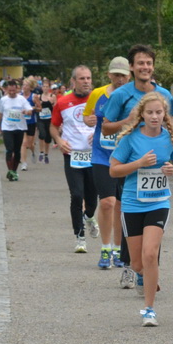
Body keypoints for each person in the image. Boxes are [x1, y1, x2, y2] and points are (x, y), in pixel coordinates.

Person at [94, 46, 173, 284]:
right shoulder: (121, 94)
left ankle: (147, 273)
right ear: (132, 67)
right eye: (140, 63)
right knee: (128, 214)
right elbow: (105, 127)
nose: (145, 67)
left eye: (149, 63)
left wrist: (172, 146)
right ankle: (131, 264)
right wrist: (127, 121)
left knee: (154, 220)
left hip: (155, 166)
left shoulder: (164, 95)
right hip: (128, 161)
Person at [108, 92, 173, 325]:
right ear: (142, 114)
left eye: (159, 112)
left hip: (159, 202)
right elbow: (114, 170)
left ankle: (149, 309)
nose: (155, 116)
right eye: (150, 112)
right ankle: (145, 276)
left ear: (165, 115)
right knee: (137, 263)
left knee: (151, 253)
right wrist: (139, 164)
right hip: (132, 204)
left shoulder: (169, 139)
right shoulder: (131, 139)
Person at [53, 65, 100, 252]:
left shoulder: (99, 100)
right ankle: (80, 237)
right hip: (72, 155)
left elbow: (109, 123)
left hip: (94, 155)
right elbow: (53, 125)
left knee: (92, 197)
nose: (86, 81)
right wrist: (58, 139)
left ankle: (89, 216)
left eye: (88, 78)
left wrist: (98, 133)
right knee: (77, 195)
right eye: (82, 78)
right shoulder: (62, 102)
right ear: (73, 81)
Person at [0, 79, 33, 181]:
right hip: (7, 128)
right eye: (10, 91)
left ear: (17, 89)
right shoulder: (3, 100)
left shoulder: (21, 99)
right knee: (9, 149)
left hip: (19, 127)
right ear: (7, 89)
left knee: (17, 151)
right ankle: (10, 171)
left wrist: (26, 112)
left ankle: (14, 170)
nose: (12, 92)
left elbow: (30, 110)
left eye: (13, 90)